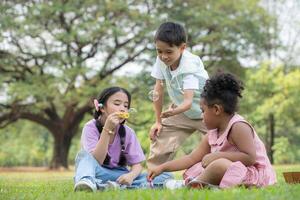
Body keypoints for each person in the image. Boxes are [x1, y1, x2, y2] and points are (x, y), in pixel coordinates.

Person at [148, 72, 277, 189]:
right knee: (198, 165)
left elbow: (250, 158)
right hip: (232, 172)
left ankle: (189, 186)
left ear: (216, 109)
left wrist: (218, 155)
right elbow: (191, 158)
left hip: (253, 176)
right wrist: (162, 167)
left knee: (218, 165)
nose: (201, 115)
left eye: (203, 111)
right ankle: (200, 184)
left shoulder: (238, 126)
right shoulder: (213, 133)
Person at [74, 87, 167, 192]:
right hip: (97, 172)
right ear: (102, 108)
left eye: (126, 105)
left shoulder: (128, 132)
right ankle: (87, 181)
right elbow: (97, 160)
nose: (122, 108)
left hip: (119, 175)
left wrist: (131, 176)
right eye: (117, 104)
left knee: (164, 175)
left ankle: (107, 186)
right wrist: (107, 129)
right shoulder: (90, 127)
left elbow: (137, 165)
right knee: (83, 155)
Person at [147, 21, 209, 169]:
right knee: (162, 138)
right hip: (183, 112)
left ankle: (221, 172)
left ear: (182, 48)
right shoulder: (161, 60)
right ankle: (154, 177)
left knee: (221, 144)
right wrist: (158, 121)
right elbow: (158, 89)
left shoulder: (189, 65)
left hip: (206, 112)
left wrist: (172, 111)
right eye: (159, 51)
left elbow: (188, 101)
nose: (163, 56)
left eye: (168, 52)